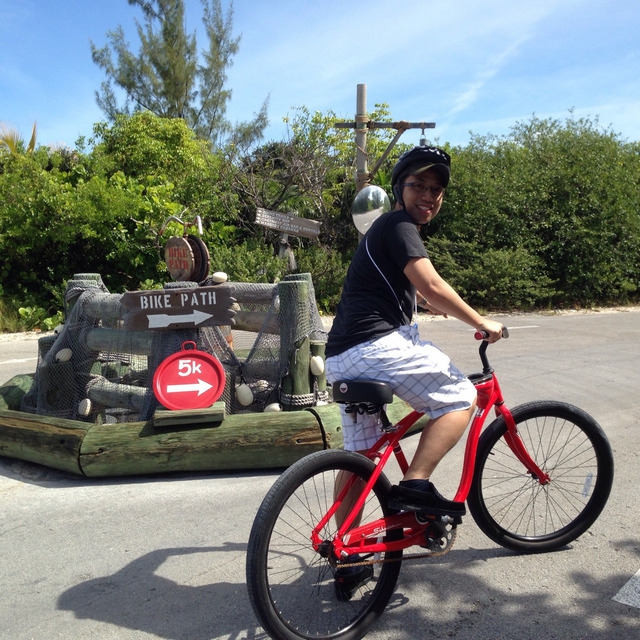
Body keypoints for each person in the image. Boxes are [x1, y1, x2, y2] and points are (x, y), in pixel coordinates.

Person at [325, 145, 503, 521]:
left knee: (362, 457)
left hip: (342, 358)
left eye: (435, 190)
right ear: (399, 188)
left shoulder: (384, 231)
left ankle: (345, 555)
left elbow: (413, 292)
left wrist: (425, 304)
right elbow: (433, 284)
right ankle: (415, 485)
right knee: (460, 396)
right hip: (375, 348)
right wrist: (481, 322)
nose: (427, 196)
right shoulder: (399, 225)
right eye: (418, 185)